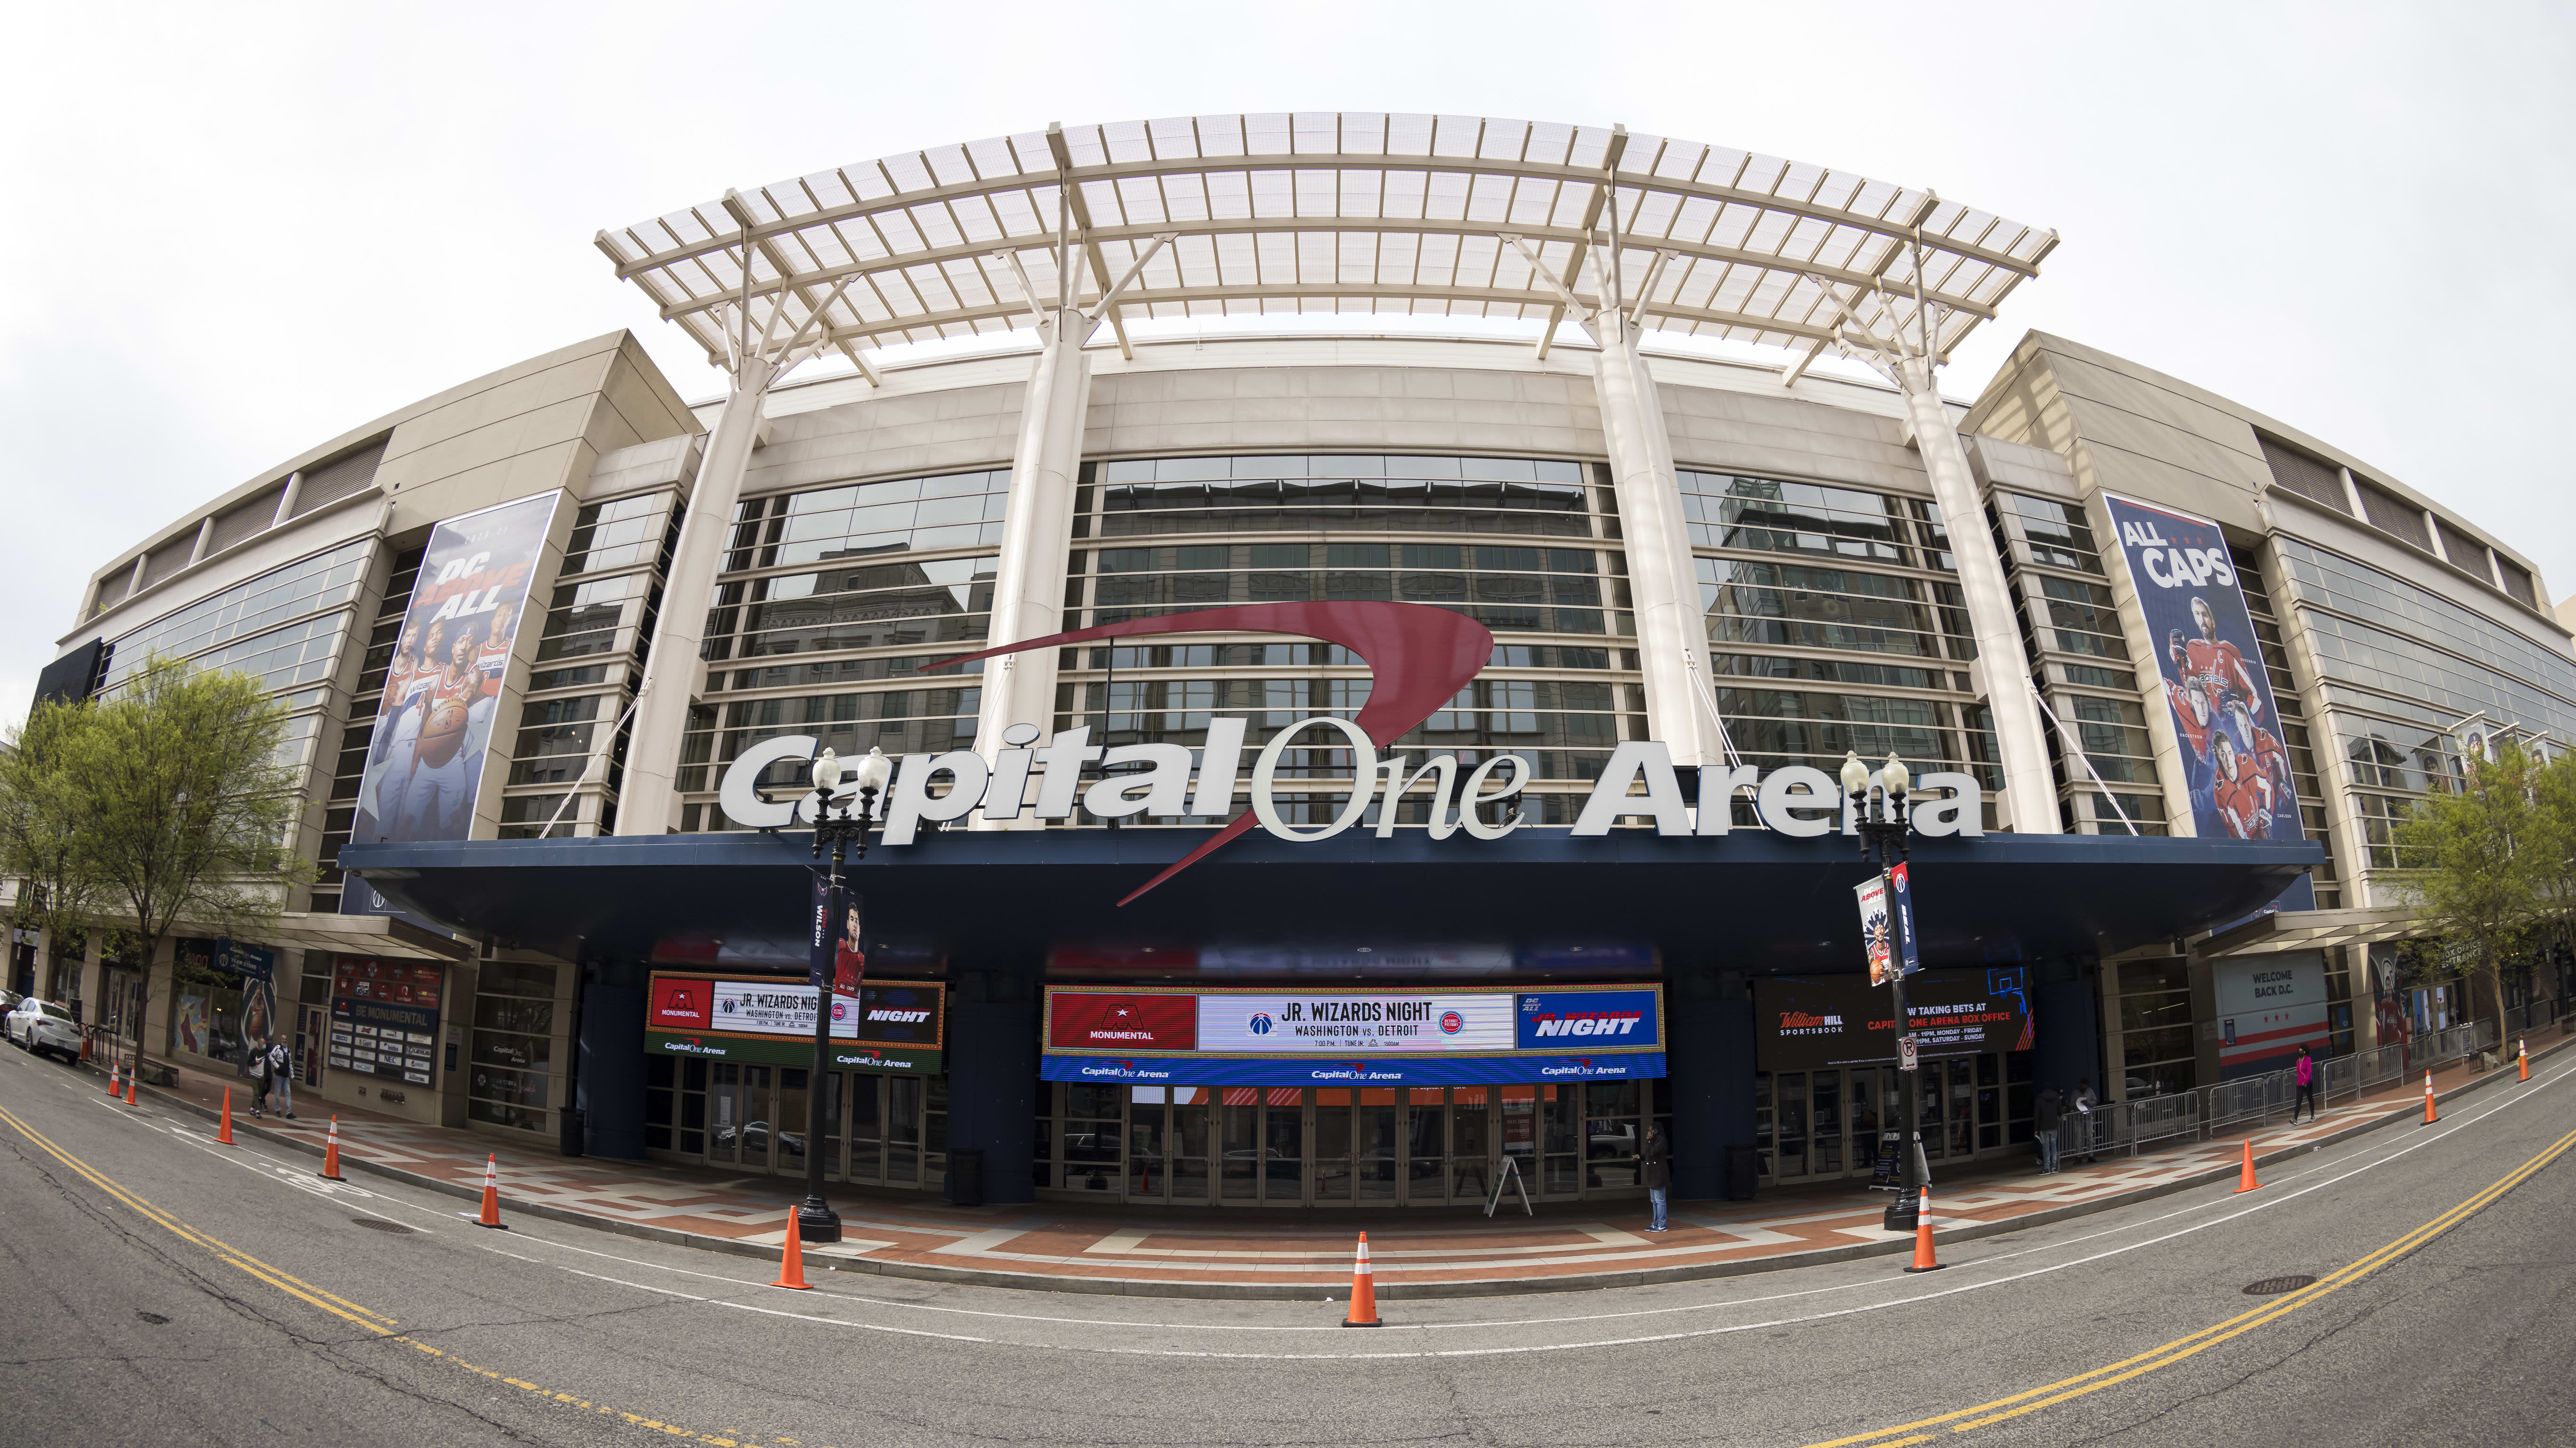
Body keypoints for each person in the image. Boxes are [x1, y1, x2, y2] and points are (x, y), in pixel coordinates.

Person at [1641, 1123, 1672, 1232]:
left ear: (1656, 1131)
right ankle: (1655, 1223)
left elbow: (1654, 1153)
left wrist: (1649, 1142)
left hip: (1659, 1174)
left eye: (1651, 1131)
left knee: (1660, 1201)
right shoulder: (1653, 1141)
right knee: (1654, 1201)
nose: (1649, 1133)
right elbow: (1649, 1155)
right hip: (1653, 1175)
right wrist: (1640, 1157)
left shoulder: (1661, 1140)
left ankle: (1663, 1224)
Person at [2034, 1082, 2063, 1174]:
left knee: (2046, 1147)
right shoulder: (2057, 1098)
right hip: (2054, 1125)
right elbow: (2060, 1112)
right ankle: (2054, 1167)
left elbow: (2037, 1115)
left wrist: (2036, 1128)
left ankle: (2047, 1168)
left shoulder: (2039, 1099)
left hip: (2043, 1126)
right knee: (2054, 1146)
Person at [266, 1037, 296, 1119]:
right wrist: (277, 1066)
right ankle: (278, 1110)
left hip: (286, 1076)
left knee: (288, 1093)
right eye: (283, 1039)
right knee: (277, 1094)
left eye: (286, 1039)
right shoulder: (278, 1048)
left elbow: (290, 1063)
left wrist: (292, 1075)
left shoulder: (289, 1051)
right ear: (281, 1040)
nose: (285, 1040)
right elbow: (271, 1057)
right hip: (279, 1075)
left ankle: (289, 1113)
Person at [2073, 1078, 2100, 1164]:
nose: (2084, 1086)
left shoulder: (2090, 1091)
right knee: (2079, 1137)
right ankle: (2079, 1156)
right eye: (2082, 1085)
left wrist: (2087, 1102)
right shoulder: (2075, 1093)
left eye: (2085, 1085)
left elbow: (2095, 1103)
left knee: (2090, 1136)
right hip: (2079, 1119)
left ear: (2087, 1085)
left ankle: (2090, 1155)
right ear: (2080, 1084)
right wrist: (2078, 1104)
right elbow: (2071, 1105)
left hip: (2088, 1118)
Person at [246, 1033, 271, 1118]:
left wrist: (269, 1055)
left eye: (265, 1043)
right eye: (263, 1043)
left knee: (259, 1094)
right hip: (254, 1076)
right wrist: (255, 1063)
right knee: (256, 1093)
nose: (265, 1044)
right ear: (259, 1043)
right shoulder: (253, 1052)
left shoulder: (264, 1052)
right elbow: (248, 1063)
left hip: (261, 1076)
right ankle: (257, 1111)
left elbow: (269, 1054)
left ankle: (252, 1108)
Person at [2293, 1044, 2318, 1123]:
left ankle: (2312, 1116)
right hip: (2300, 1084)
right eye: (2299, 1051)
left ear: (2304, 1052)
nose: (2300, 1052)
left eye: (2301, 1051)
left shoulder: (2308, 1060)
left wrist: (2306, 1081)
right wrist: (2300, 1083)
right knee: (2299, 1101)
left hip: (2308, 1083)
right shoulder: (2298, 1062)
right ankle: (2295, 1119)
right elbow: (2299, 1073)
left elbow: (2309, 1071)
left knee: (2310, 1098)